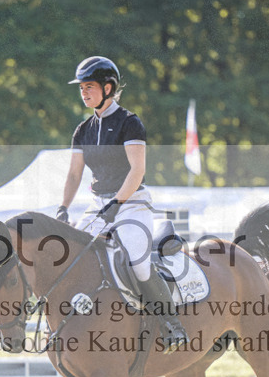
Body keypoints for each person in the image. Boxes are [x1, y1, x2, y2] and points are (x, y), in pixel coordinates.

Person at [57, 55, 188, 353]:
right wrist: (63, 208)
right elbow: (74, 173)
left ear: (108, 87)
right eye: (81, 88)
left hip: (132, 204)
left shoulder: (130, 123)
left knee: (137, 263)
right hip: (98, 206)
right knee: (74, 258)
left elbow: (137, 170)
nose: (84, 92)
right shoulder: (83, 130)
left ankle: (172, 325)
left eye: (89, 86)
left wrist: (117, 203)